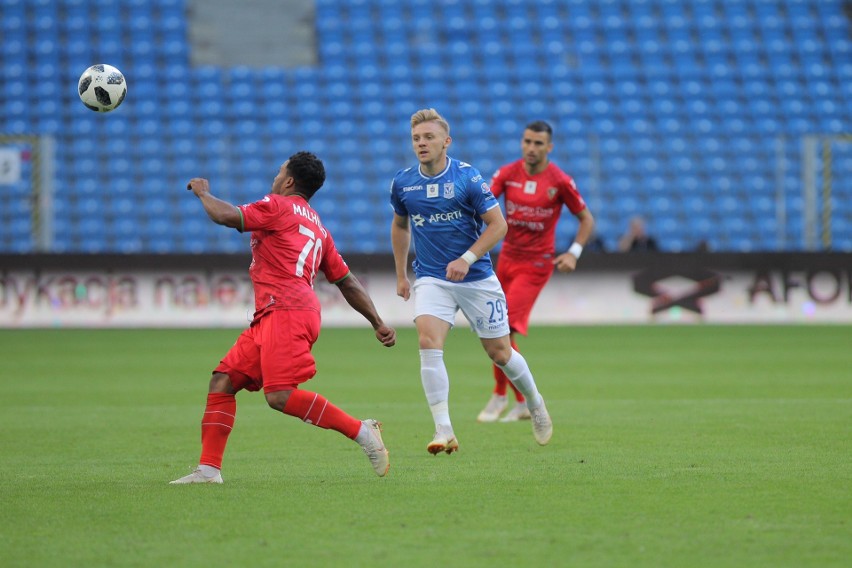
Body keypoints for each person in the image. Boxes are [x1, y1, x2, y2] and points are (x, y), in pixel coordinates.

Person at [171, 151, 397, 484]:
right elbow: (346, 281)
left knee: (279, 395)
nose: (275, 177)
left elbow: (226, 216)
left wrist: (203, 192)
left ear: (289, 181)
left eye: (279, 172)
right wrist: (377, 322)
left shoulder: (277, 205)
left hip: (287, 310)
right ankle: (208, 470)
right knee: (223, 381)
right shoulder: (318, 227)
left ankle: (361, 431)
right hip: (276, 313)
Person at [389, 108, 553, 455]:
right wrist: (403, 274)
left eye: (429, 137)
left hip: (476, 278)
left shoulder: (467, 177)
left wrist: (466, 259)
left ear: (446, 142)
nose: (421, 143)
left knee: (500, 352)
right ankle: (443, 429)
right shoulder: (404, 183)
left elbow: (498, 225)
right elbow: (400, 225)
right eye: (416, 138)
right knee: (428, 342)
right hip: (432, 277)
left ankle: (536, 404)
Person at [478, 121, 596, 423]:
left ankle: (503, 396)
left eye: (538, 143)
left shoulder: (560, 181)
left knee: (503, 329)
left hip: (536, 263)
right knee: (495, 327)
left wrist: (573, 252)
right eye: (527, 141)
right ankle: (516, 401)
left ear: (549, 147)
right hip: (506, 259)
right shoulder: (506, 174)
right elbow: (483, 204)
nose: (531, 148)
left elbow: (586, 220)